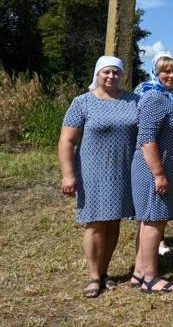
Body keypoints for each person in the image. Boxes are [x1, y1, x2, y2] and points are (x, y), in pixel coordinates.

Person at [58, 56, 138, 298]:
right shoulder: (83, 102)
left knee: (114, 221)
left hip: (123, 170)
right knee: (95, 222)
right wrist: (68, 175)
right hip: (93, 170)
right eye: (106, 72)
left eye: (116, 72)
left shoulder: (133, 101)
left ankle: (104, 272)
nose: (111, 76)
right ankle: (93, 276)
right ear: (97, 74)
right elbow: (66, 140)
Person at [131, 53, 173, 293]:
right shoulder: (154, 97)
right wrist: (159, 174)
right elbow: (147, 140)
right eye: (166, 71)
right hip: (153, 167)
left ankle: (139, 272)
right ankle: (151, 278)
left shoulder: (169, 97)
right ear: (156, 72)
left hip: (163, 166)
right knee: (154, 220)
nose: (171, 76)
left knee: (151, 220)